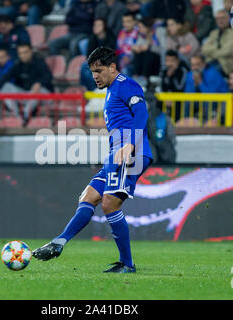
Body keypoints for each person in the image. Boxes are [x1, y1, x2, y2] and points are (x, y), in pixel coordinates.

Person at [32, 47, 153, 273]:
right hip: (116, 154)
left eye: (99, 70)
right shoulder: (110, 91)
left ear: (113, 68)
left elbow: (143, 114)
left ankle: (127, 264)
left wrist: (130, 145)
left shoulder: (126, 84)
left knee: (109, 204)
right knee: (88, 197)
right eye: (92, 71)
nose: (95, 75)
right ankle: (59, 242)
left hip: (131, 153)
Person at [0, 43, 53, 125]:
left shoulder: (39, 62)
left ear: (31, 51)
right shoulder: (18, 64)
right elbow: (6, 76)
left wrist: (39, 83)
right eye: (20, 53)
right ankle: (16, 116)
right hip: (25, 95)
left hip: (41, 95)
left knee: (38, 91)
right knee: (6, 87)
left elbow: (48, 76)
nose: (23, 55)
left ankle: (26, 116)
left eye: (25, 52)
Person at [201, 9, 233, 76]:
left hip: (229, 65)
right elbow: (203, 49)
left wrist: (211, 53)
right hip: (213, 62)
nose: (220, 21)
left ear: (228, 19)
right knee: (196, 71)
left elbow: (226, 51)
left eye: (222, 18)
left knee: (209, 74)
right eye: (218, 18)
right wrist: (217, 47)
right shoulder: (214, 33)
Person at [80, 18, 117, 90]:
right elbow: (89, 56)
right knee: (84, 66)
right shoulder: (92, 38)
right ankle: (91, 90)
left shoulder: (111, 38)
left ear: (104, 27)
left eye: (98, 25)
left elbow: (110, 55)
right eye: (95, 25)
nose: (95, 27)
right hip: (95, 62)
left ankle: (98, 90)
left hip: (107, 63)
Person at [131, 17, 163, 83]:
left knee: (148, 53)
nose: (139, 30)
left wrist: (150, 47)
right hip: (145, 62)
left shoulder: (159, 32)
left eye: (141, 27)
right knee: (138, 53)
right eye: (139, 27)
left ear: (148, 27)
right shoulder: (141, 36)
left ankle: (144, 78)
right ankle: (136, 76)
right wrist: (135, 48)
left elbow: (164, 49)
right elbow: (138, 46)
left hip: (157, 62)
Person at [116, 12, 138, 76]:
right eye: (124, 22)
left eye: (128, 21)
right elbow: (118, 48)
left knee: (125, 69)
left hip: (134, 60)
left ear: (134, 22)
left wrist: (129, 57)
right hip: (121, 58)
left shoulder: (138, 32)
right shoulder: (122, 32)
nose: (125, 24)